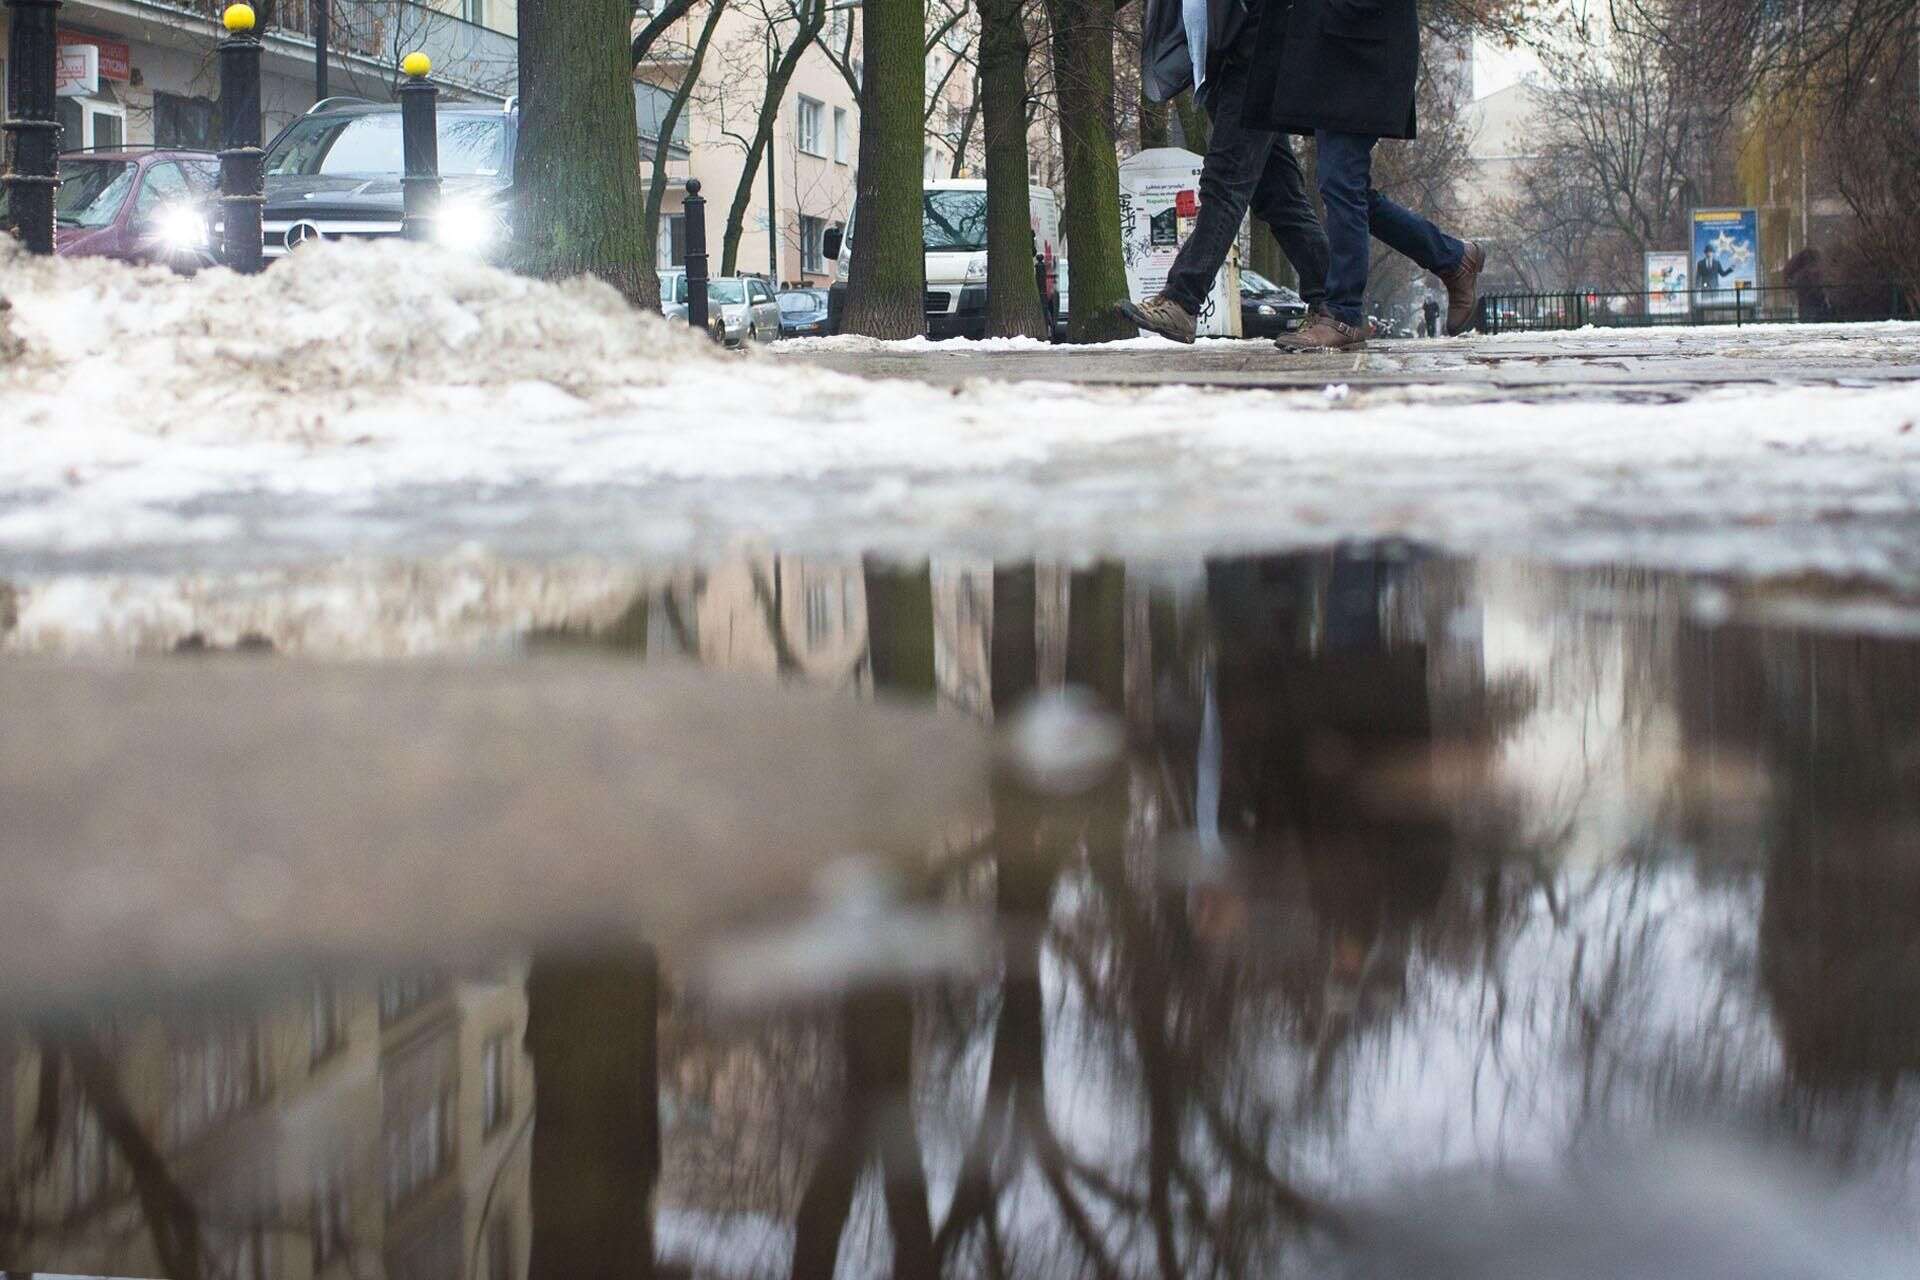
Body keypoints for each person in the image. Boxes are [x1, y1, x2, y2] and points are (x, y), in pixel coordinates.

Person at [1241, 0, 1484, 352]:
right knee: (1347, 190)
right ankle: (1453, 257)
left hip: (1362, 48)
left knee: (1342, 186)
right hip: (1333, 51)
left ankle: (1343, 314)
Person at [1119, 0, 1332, 344]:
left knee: (1225, 182)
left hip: (1255, 52)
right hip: (1234, 58)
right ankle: (1333, 303)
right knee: (1278, 197)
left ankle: (1182, 300)